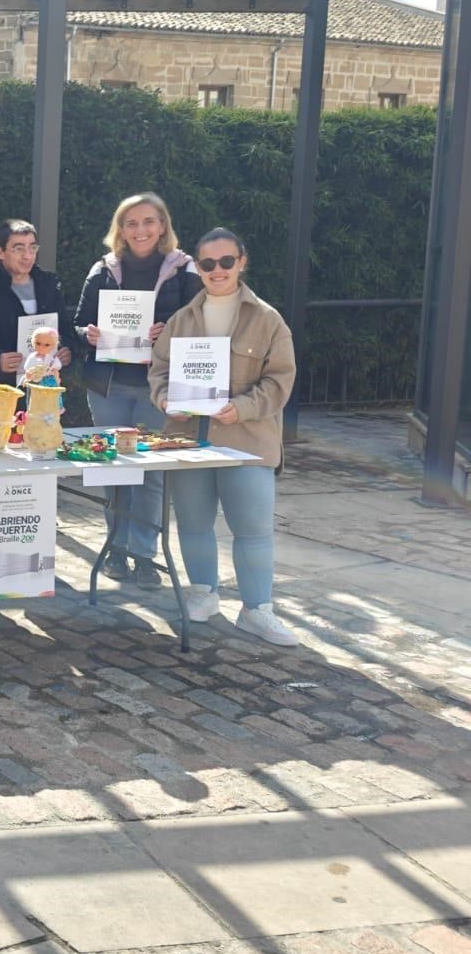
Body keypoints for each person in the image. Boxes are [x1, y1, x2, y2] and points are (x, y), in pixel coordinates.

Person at [151, 228, 297, 647]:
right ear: (198, 266)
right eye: (208, 263)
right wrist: (164, 401)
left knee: (252, 529)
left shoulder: (268, 320)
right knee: (194, 524)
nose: (217, 271)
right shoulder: (181, 320)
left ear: (242, 262)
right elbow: (158, 371)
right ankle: (202, 593)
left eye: (226, 262)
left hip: (247, 440)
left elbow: (281, 380)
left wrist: (243, 407)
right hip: (187, 439)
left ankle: (258, 609)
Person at [73, 192, 201, 588]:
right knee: (111, 469)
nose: (140, 230)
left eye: (148, 221)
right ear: (120, 230)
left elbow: (199, 326)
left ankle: (144, 554)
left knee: (149, 474)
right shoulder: (103, 269)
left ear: (162, 226)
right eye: (131, 223)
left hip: (156, 388)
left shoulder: (185, 271)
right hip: (108, 388)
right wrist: (88, 334)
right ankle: (115, 547)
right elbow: (77, 324)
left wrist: (169, 334)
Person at [0, 218, 74, 384]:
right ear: (0, 252)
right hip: (0, 390)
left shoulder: (49, 285)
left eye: (32, 247)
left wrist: (66, 350)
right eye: (18, 248)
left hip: (45, 386)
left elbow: (65, 329)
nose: (27, 255)